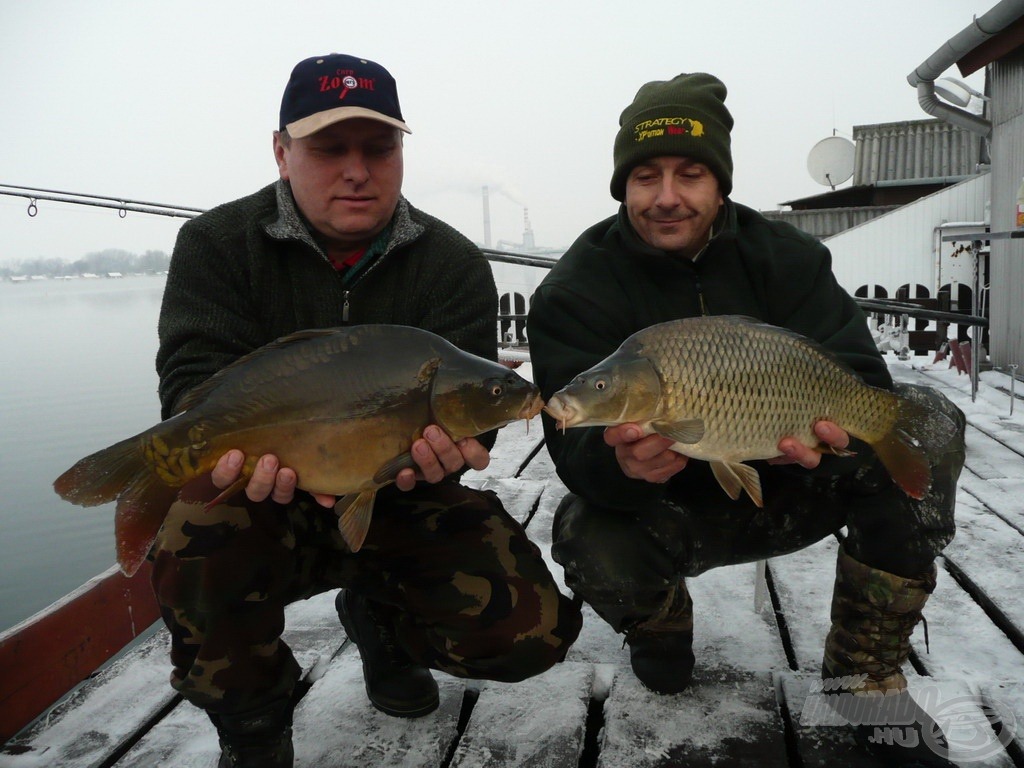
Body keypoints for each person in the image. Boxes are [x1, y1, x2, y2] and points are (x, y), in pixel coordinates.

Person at [153, 53, 582, 768]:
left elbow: (470, 409)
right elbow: (190, 389)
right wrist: (231, 455)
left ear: (400, 153)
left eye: (378, 148)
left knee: (531, 632)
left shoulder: (450, 263)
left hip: (399, 492)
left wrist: (453, 452)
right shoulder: (216, 245)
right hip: (262, 497)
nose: (357, 169)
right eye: (329, 148)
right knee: (193, 528)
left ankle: (383, 626)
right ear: (282, 152)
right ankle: (253, 725)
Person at [527, 72, 965, 767]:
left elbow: (863, 379)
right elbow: (569, 443)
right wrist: (621, 464)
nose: (667, 196)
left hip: (794, 478)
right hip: (672, 508)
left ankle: (865, 678)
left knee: (927, 422)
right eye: (645, 176)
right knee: (584, 532)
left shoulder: (785, 257)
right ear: (622, 186)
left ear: (720, 183)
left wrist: (840, 442)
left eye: (690, 173)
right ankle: (661, 626)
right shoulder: (577, 289)